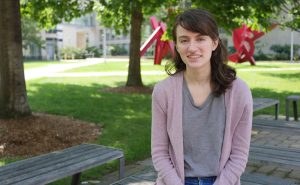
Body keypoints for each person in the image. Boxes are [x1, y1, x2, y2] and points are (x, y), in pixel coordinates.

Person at [151, 9, 253, 185]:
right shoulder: (164, 91)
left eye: (200, 39)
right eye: (184, 40)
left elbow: (239, 155)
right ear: (176, 45)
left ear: (214, 42)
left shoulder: (239, 91)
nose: (192, 47)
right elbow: (160, 152)